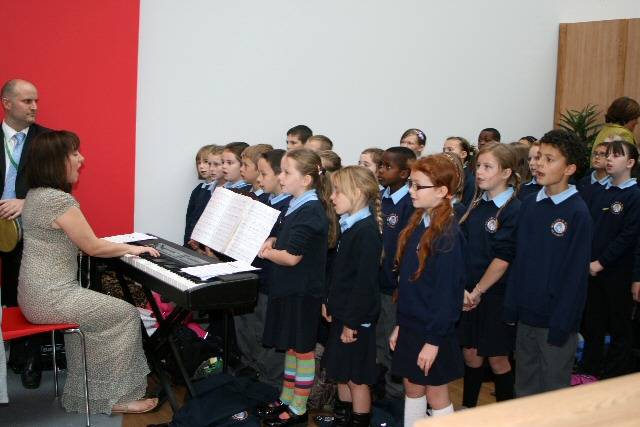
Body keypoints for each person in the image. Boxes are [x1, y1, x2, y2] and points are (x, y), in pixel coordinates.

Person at [19, 130, 160, 414]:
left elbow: (79, 242)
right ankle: (115, 398)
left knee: (89, 322)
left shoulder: (35, 196)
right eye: (74, 154)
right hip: (52, 297)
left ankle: (83, 396)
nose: (81, 159)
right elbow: (92, 246)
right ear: (54, 162)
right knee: (124, 315)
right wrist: (132, 249)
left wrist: (114, 246)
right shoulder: (59, 201)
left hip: (34, 295)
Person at [504, 129, 591, 397]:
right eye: (539, 157)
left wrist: (562, 323)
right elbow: (519, 260)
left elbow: (576, 276)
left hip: (556, 321)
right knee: (525, 386)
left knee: (553, 391)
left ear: (570, 168)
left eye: (549, 159)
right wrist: (511, 307)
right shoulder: (529, 204)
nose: (539, 164)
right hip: (526, 315)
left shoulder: (577, 212)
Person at [257, 148, 337, 426]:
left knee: (302, 351)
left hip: (302, 294)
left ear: (305, 179)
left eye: (286, 172)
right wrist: (273, 239)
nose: (280, 176)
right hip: (290, 290)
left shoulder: (312, 210)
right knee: (292, 348)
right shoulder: (297, 204)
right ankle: (286, 396)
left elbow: (292, 257)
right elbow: (288, 238)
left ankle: (298, 408)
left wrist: (265, 252)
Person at [390, 154, 466, 424]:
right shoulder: (418, 223)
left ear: (442, 191)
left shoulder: (448, 235)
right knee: (413, 386)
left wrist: (433, 342)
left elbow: (447, 295)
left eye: (418, 186)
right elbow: (409, 285)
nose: (411, 191)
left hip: (434, 329)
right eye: (411, 184)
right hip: (413, 324)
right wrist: (401, 324)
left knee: (436, 392)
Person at [458, 143, 520, 407]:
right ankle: (468, 411)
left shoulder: (513, 208)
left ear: (506, 172)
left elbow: (503, 259)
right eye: (478, 166)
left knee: (497, 358)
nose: (480, 173)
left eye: (487, 167)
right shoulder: (477, 205)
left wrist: (478, 291)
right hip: (470, 293)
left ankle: (506, 414)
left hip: (495, 294)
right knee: (471, 355)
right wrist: (464, 289)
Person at [321, 166, 382, 427]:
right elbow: (340, 274)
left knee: (357, 379)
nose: (332, 197)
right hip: (343, 314)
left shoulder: (366, 231)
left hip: (355, 321)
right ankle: (343, 419)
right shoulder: (350, 225)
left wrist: (351, 323)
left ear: (356, 193)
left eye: (337, 191)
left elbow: (364, 285)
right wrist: (328, 301)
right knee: (341, 373)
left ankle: (358, 422)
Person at [0, 79, 50, 389]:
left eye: (36, 101)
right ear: (6, 103)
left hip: (29, 229)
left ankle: (31, 356)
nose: (34, 106)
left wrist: (25, 201)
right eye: (26, 101)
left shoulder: (47, 141)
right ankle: (13, 350)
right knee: (6, 295)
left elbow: (60, 187)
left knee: (29, 294)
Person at [582, 140, 640, 379]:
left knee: (619, 327)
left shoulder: (634, 195)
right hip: (593, 271)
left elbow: (628, 236)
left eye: (616, 155)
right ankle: (589, 371)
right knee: (592, 324)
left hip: (617, 272)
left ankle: (613, 376)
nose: (609, 159)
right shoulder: (601, 191)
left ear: (630, 163)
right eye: (608, 154)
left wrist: (601, 262)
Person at [234, 149, 291, 387]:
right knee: (248, 330)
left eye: (264, 173)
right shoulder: (263, 200)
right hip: (252, 277)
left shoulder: (289, 207)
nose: (259, 179)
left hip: (273, 282)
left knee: (267, 336)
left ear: (281, 175)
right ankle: (251, 373)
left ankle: (269, 384)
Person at [375, 146, 416, 399]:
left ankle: (395, 394)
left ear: (404, 173)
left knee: (393, 341)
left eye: (387, 166)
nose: (380, 170)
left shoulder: (409, 205)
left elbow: (406, 248)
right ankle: (380, 387)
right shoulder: (380, 199)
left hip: (394, 286)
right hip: (377, 282)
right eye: (380, 165)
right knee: (379, 338)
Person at [184, 144, 216, 246]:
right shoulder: (198, 190)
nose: (201, 166)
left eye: (206, 162)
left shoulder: (219, 190)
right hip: (192, 243)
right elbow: (189, 219)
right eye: (199, 163)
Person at [443, 136, 476, 207]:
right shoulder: (444, 174)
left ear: (463, 154)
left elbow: (466, 209)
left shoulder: (470, 181)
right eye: (444, 150)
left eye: (450, 149)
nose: (445, 153)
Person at [576, 140, 610, 206]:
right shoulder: (582, 182)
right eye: (595, 153)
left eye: (602, 154)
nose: (597, 157)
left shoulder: (614, 184)